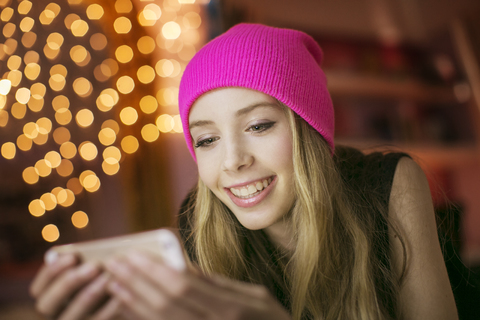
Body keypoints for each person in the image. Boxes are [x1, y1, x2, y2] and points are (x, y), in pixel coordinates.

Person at [30, 23, 459, 320]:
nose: (233, 161)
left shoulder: (390, 184)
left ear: (309, 129)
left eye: (258, 126)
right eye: (207, 140)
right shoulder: (197, 218)